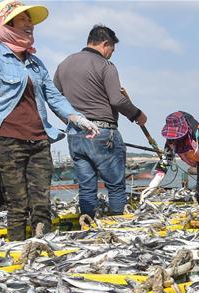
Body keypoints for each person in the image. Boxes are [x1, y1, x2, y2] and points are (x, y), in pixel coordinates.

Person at [0, 1, 99, 241]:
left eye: (30, 20)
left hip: (40, 140)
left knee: (41, 204)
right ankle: (18, 253)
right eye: (24, 19)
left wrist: (78, 119)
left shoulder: (35, 63)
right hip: (8, 142)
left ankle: (42, 253)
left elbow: (54, 96)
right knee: (17, 205)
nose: (30, 25)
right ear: (7, 24)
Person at [53, 24, 147, 217]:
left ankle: (87, 223)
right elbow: (117, 99)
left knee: (86, 187)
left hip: (76, 135)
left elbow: (55, 99)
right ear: (106, 44)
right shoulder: (105, 65)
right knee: (115, 186)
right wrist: (137, 114)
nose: (112, 54)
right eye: (112, 49)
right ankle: (117, 224)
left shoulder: (64, 64)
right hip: (103, 133)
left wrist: (70, 121)